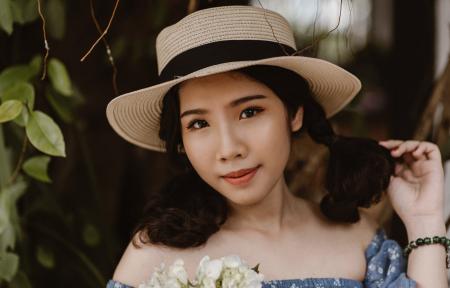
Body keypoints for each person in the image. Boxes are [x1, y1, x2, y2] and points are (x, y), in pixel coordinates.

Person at [105, 5, 448, 288]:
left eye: (250, 112)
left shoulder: (358, 240)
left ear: (294, 113)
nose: (229, 148)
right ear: (181, 139)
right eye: (198, 123)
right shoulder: (156, 257)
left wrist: (424, 222)